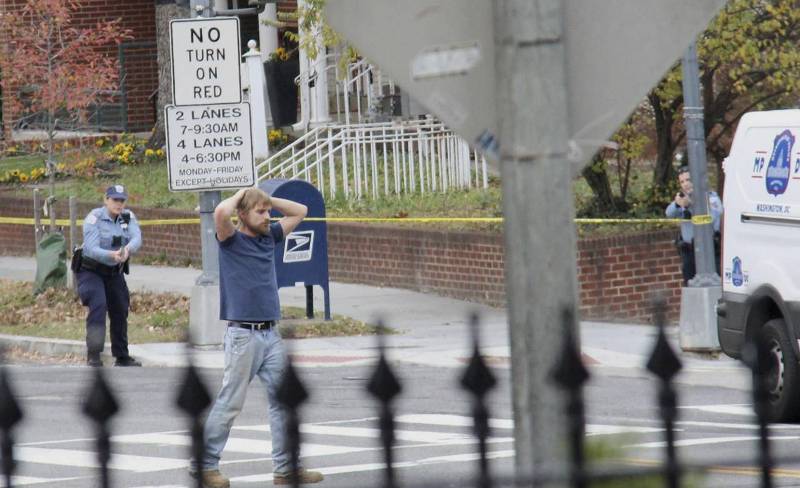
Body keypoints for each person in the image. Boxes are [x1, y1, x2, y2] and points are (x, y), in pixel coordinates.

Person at [194, 188, 322, 488]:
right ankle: (205, 466)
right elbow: (220, 214)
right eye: (260, 212)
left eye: (268, 213)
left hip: (271, 334)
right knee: (230, 402)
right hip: (243, 335)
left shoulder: (269, 237)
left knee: (284, 401)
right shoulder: (231, 240)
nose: (268, 217)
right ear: (243, 214)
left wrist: (265, 199)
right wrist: (242, 194)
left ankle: (286, 468)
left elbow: (300, 211)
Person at [77, 184, 142, 367]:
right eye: (115, 200)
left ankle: (122, 356)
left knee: (120, 307)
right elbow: (90, 248)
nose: (119, 204)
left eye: (122, 200)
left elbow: (137, 237)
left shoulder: (128, 217)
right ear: (106, 200)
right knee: (98, 305)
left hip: (113, 271)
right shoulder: (94, 218)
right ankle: (94, 355)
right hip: (91, 270)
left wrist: (127, 249)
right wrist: (111, 255)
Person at [665, 166, 723, 285]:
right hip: (689, 254)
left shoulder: (711, 197)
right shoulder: (683, 199)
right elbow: (669, 213)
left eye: (688, 179)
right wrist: (677, 204)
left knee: (713, 287)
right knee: (690, 288)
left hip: (709, 252)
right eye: (682, 181)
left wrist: (690, 206)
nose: (685, 184)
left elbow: (710, 218)